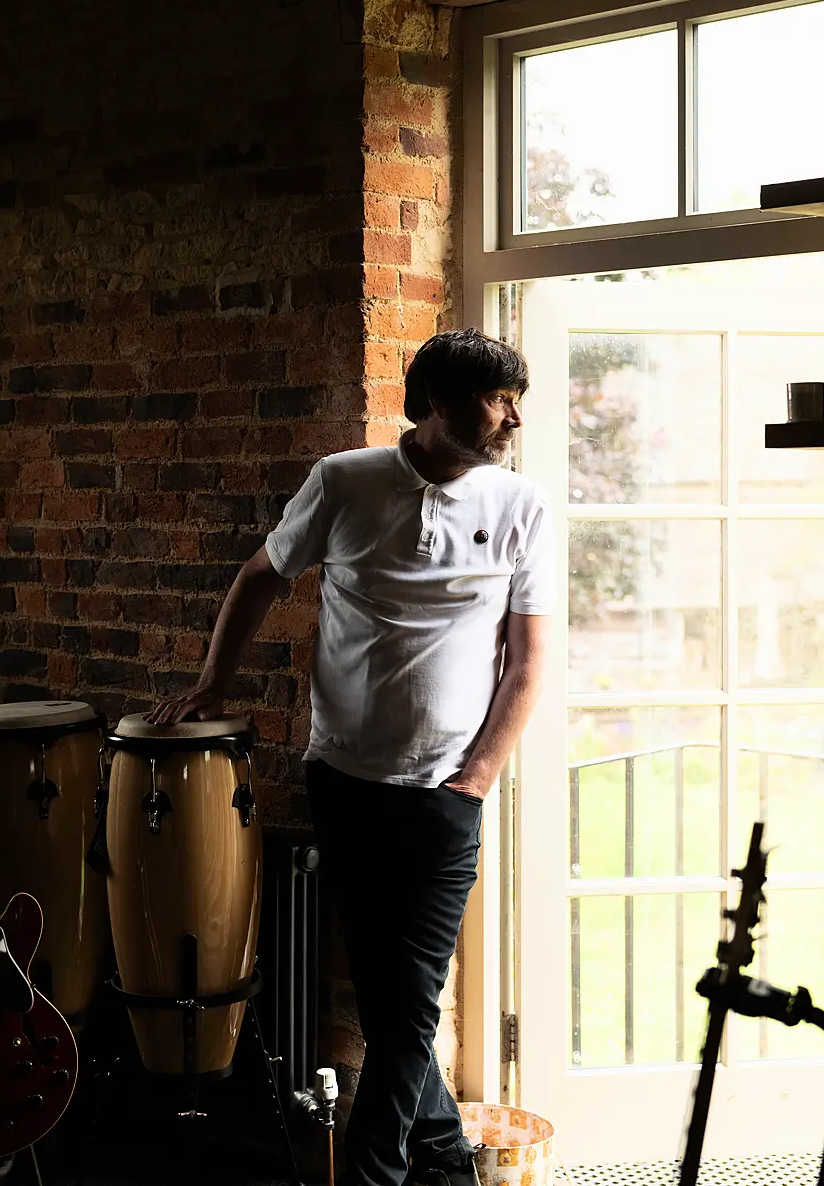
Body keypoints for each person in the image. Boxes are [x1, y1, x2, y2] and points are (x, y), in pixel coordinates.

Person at [149, 327, 553, 1186]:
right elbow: (261, 573)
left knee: (405, 1008)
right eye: (497, 398)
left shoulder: (523, 505)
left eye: (516, 396)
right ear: (439, 403)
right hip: (344, 779)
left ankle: (369, 1176)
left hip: (446, 792)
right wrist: (214, 681)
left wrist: (477, 778)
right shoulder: (345, 480)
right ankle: (444, 1166)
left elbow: (529, 660)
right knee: (390, 1002)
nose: (514, 414)